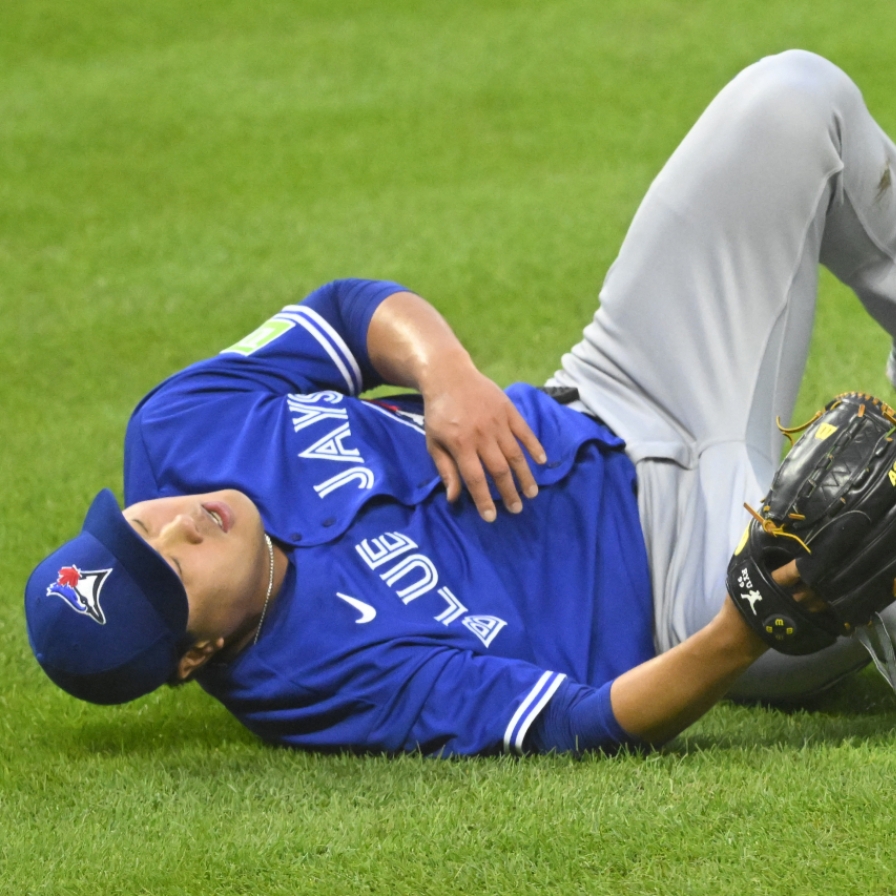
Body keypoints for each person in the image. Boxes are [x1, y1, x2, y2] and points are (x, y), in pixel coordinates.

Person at [24, 49, 896, 756]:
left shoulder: (179, 426)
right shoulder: (320, 682)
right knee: (872, 544)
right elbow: (577, 724)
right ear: (198, 655)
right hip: (690, 584)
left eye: (143, 526)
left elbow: (345, 311)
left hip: (620, 384)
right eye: (173, 570)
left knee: (790, 102)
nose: (184, 525)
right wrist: (744, 622)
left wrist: (444, 373)